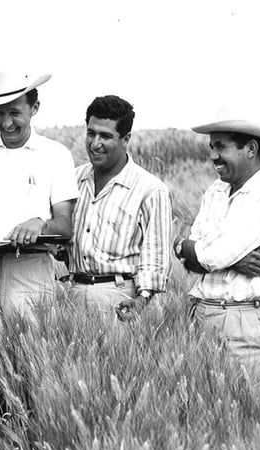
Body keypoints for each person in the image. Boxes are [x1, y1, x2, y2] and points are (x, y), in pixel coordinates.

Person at [0, 70, 78, 377]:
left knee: (33, 382)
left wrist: (39, 225)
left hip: (31, 277)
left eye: (15, 113)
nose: (7, 123)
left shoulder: (55, 155)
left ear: (35, 108)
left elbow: (65, 226)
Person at [175, 117, 260, 385]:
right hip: (205, 317)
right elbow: (193, 258)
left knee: (254, 415)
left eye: (221, 147)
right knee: (204, 412)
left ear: (250, 149)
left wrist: (192, 248)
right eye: (211, 147)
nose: (213, 156)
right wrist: (186, 247)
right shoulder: (215, 191)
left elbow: (211, 256)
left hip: (248, 324)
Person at [67, 95, 172, 320]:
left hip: (121, 297)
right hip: (74, 294)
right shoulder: (73, 181)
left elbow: (156, 256)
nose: (95, 144)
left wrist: (141, 301)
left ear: (126, 139)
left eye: (106, 136)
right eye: (91, 133)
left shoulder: (150, 190)